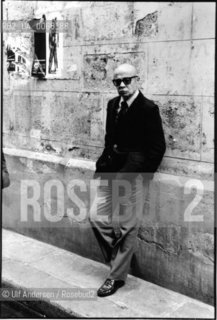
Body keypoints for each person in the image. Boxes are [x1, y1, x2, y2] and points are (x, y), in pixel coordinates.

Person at [90, 63, 166, 297]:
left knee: (126, 227)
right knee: (96, 217)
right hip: (111, 173)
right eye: (117, 82)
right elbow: (109, 138)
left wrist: (141, 177)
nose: (121, 85)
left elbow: (157, 148)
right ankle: (120, 260)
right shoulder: (113, 104)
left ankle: (115, 277)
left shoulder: (148, 108)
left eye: (126, 80)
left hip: (134, 177)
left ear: (137, 80)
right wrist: (103, 163)